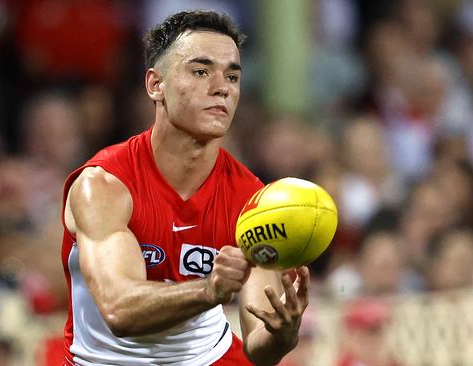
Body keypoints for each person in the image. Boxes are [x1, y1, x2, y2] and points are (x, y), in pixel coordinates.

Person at [60, 10, 310, 365]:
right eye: (201, 71)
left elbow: (258, 345)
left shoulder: (252, 200)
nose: (222, 86)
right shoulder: (103, 185)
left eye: (233, 76)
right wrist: (210, 290)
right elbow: (119, 310)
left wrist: (282, 332)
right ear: (155, 85)